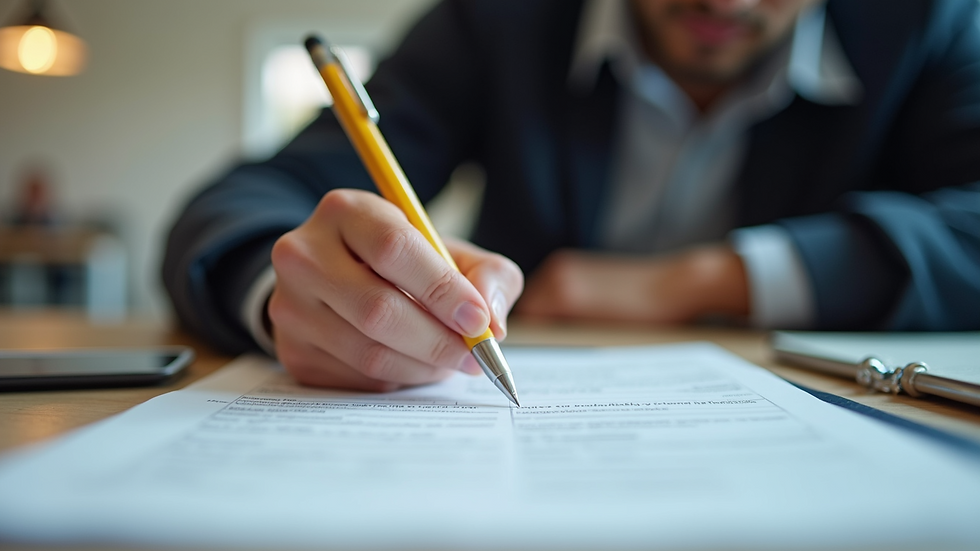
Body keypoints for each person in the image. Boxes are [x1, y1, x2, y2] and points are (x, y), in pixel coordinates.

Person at [163, 0, 980, 392]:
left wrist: (703, 280)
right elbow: (243, 203)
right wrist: (285, 293)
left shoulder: (929, 23)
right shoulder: (496, 20)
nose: (725, 4)